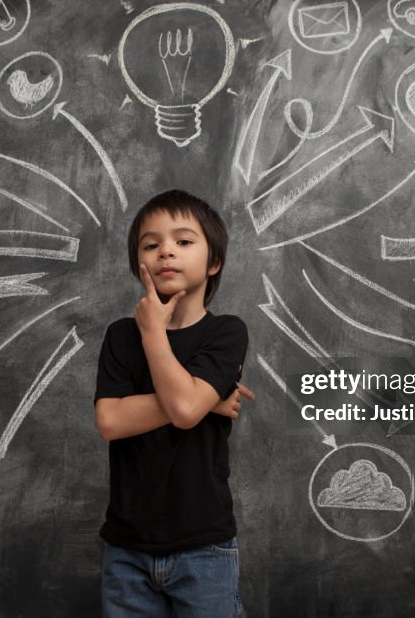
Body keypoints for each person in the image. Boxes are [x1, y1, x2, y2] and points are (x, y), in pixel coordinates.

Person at [94, 189, 253, 617]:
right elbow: (110, 420)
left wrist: (154, 334)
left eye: (184, 241)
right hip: (126, 549)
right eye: (151, 244)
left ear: (213, 261)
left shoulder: (227, 333)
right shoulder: (120, 336)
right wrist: (208, 400)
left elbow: (184, 412)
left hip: (204, 547)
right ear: (138, 262)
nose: (166, 250)